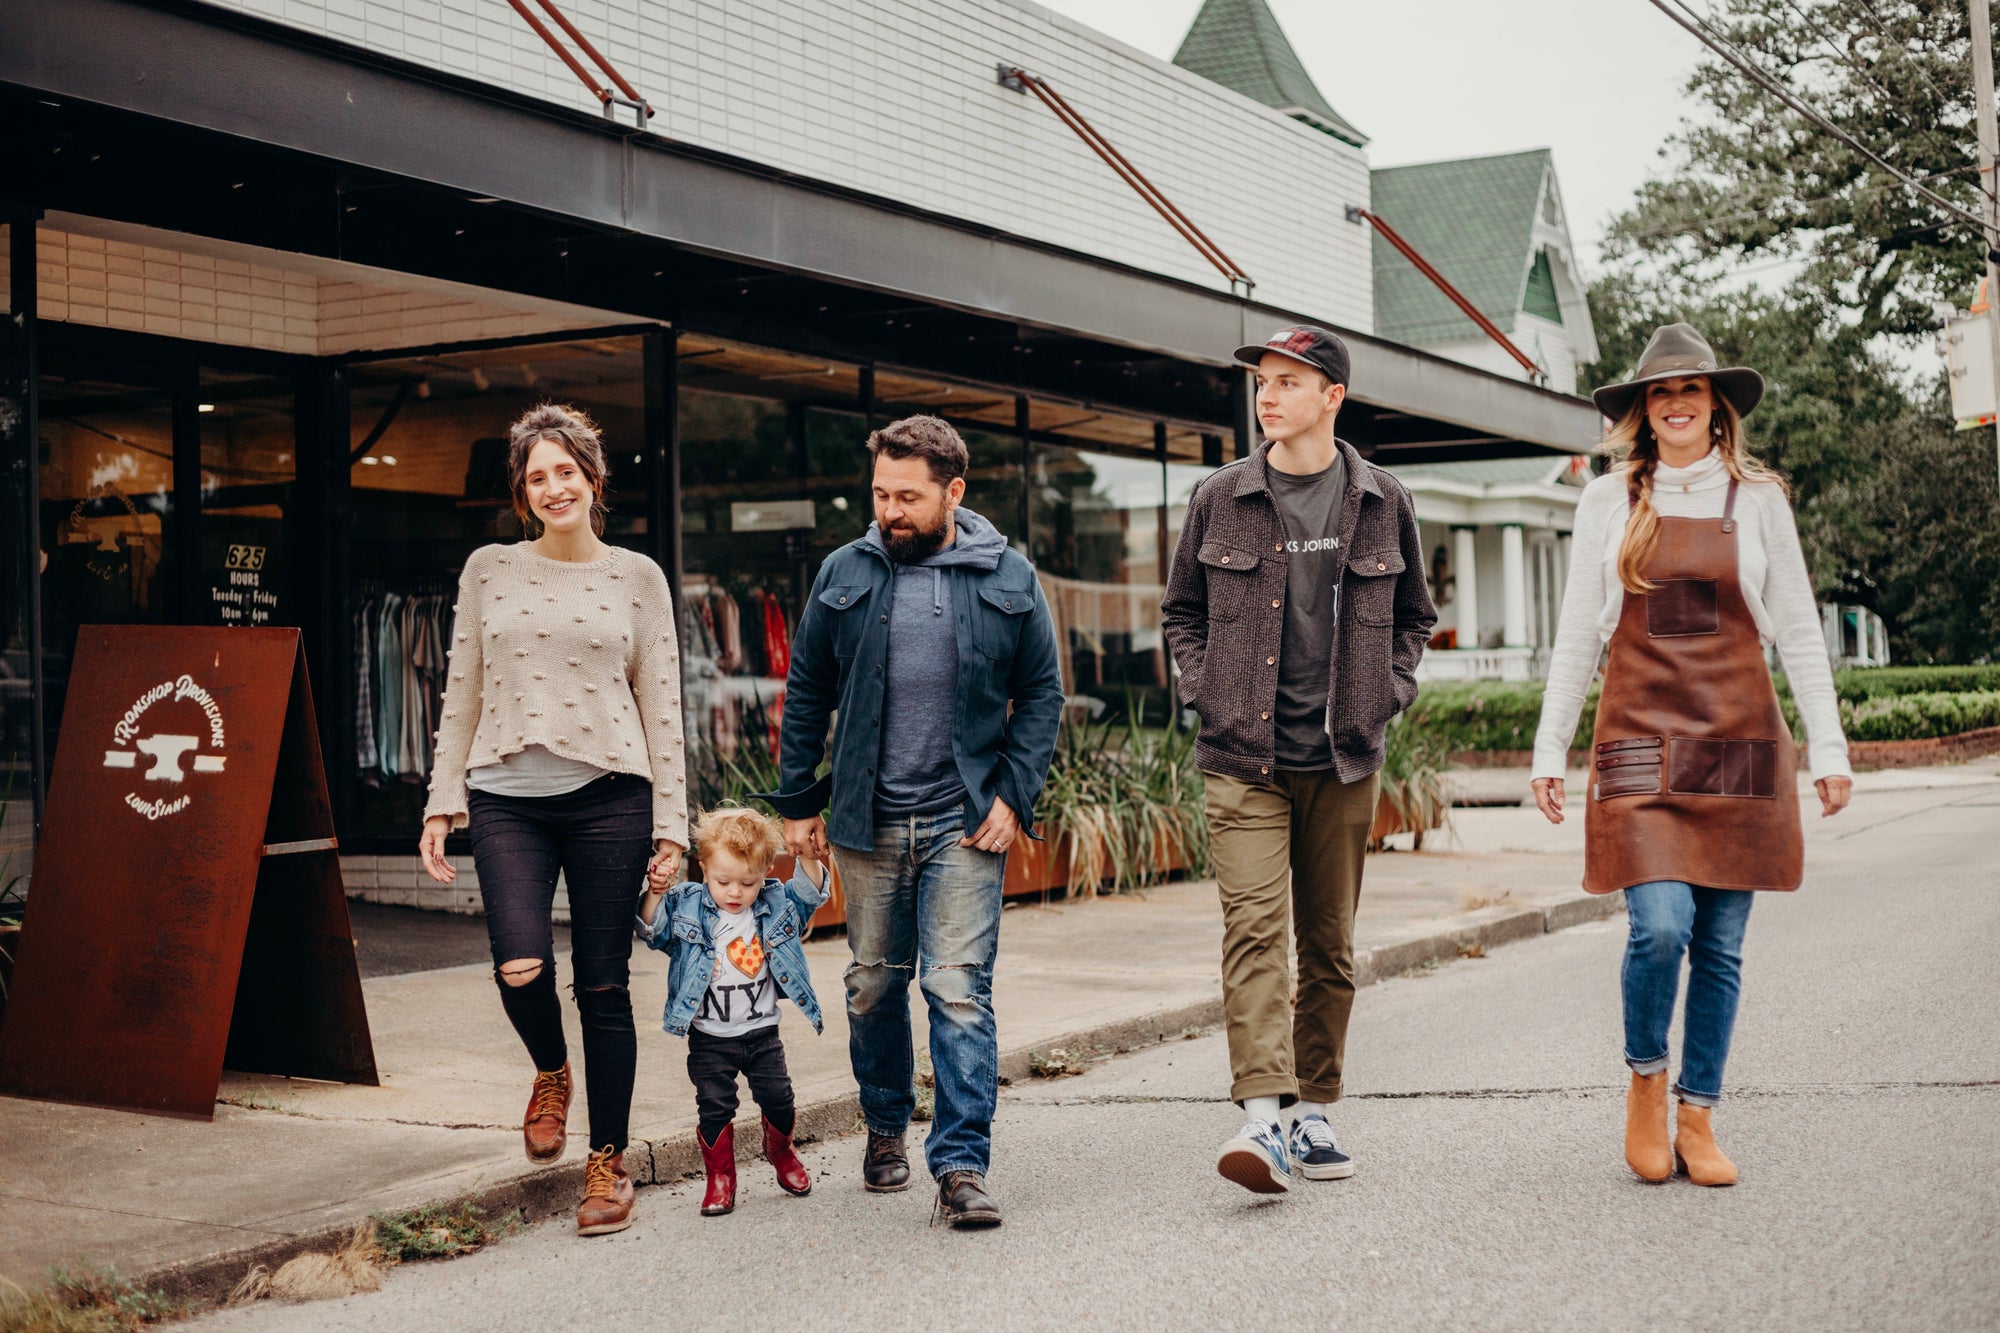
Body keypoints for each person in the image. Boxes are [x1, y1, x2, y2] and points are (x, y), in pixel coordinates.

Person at [1529, 323, 1853, 1187]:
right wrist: (1547, 747)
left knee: (1720, 945)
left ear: (1716, 407)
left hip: (1741, 742)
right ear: (1643, 410)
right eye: (1660, 392)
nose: (1675, 403)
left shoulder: (1758, 500)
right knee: (1661, 926)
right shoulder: (1606, 501)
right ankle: (1646, 1080)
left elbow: (1798, 635)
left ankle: (1699, 1112)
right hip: (1637, 744)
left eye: (1692, 390)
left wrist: (1829, 748)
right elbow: (1574, 637)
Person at [767, 414, 1064, 1230]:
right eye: (880, 494)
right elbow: (807, 692)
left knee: (958, 989)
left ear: (953, 493)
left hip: (965, 821)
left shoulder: (1008, 575)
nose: (890, 511)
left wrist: (1013, 794)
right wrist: (797, 804)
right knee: (872, 984)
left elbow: (1042, 692)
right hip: (866, 820)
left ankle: (962, 1163)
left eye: (908, 496)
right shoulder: (846, 570)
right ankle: (887, 1125)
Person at [1161, 325, 1435, 1195]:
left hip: (1344, 758)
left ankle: (1314, 1106)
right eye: (1262, 382)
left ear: (1332, 398)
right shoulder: (1220, 496)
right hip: (1242, 757)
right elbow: (1182, 613)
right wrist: (1205, 688)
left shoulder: (1382, 501)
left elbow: (1416, 617)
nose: (1268, 396)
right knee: (1253, 932)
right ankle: (1261, 1119)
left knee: (1329, 942)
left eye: (1288, 382)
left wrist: (1388, 690)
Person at [418, 402, 689, 1237]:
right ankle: (550, 1070)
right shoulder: (488, 569)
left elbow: (664, 704)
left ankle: (607, 1163)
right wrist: (441, 799)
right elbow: (461, 688)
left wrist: (673, 825)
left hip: (612, 794)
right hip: (507, 796)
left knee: (604, 985)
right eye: (537, 476)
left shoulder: (637, 577)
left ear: (593, 478)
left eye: (565, 470)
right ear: (522, 491)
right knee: (520, 965)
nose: (553, 486)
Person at [636, 804, 830, 1217]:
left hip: (763, 1035)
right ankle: (721, 1178)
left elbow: (809, 895)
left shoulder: (774, 903)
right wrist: (654, 892)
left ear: (764, 874)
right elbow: (653, 931)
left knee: (779, 1098)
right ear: (703, 867)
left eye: (748, 882)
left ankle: (782, 1152)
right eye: (723, 881)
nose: (735, 892)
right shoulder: (688, 905)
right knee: (714, 1107)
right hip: (709, 1039)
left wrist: (809, 857)